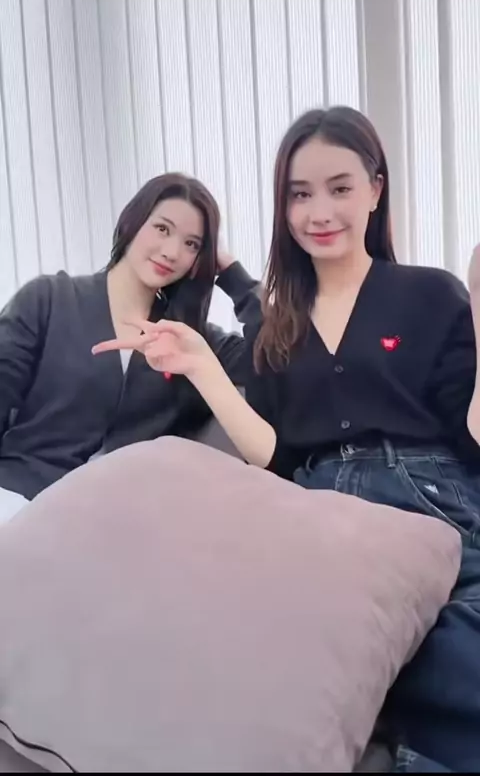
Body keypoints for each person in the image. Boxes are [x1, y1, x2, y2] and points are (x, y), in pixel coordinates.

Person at [94, 108, 480, 772]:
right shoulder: (279, 329)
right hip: (321, 512)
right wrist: (201, 365)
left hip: (429, 498)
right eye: (300, 194)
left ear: (375, 190)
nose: (318, 212)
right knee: (297, 648)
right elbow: (276, 456)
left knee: (450, 645)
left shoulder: (431, 295)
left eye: (339, 187)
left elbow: (470, 443)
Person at [0, 172, 261, 519]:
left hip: (113, 522)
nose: (171, 252)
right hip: (18, 500)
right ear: (132, 222)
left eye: (192, 244)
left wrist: (235, 278)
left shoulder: (191, 342)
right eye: (162, 229)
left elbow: (278, 357)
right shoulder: (49, 299)